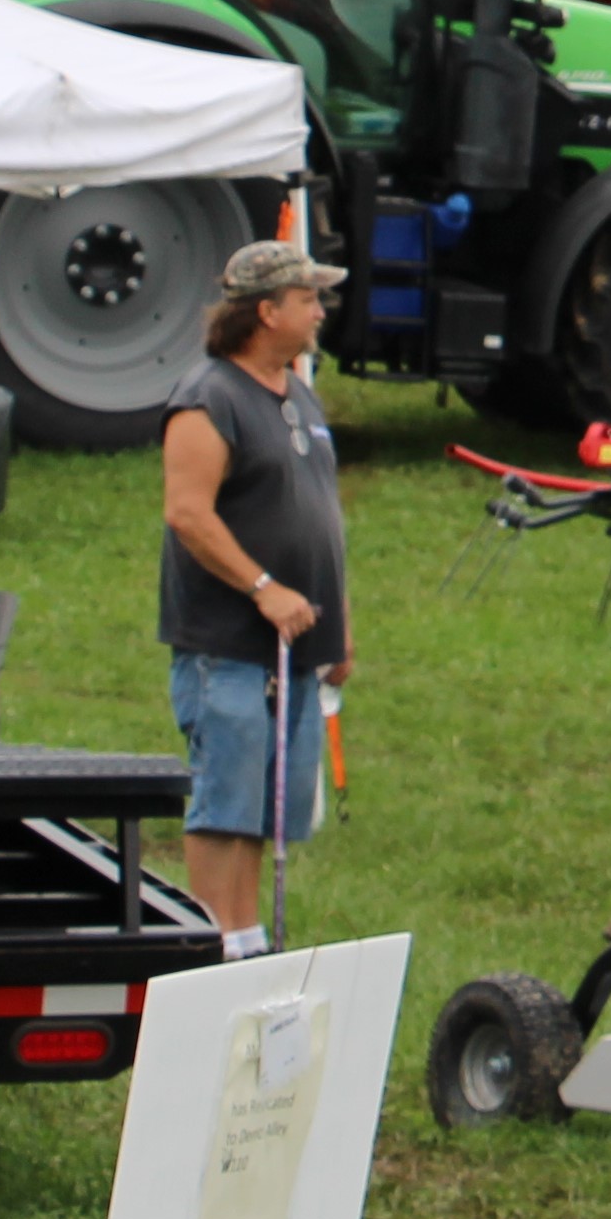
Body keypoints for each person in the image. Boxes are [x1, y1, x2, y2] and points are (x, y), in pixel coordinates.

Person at [156, 241, 350, 955]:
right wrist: (263, 589)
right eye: (308, 300)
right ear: (266, 312)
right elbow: (188, 513)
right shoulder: (207, 399)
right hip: (230, 646)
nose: (319, 312)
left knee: (270, 804)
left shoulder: (297, 393)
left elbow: (321, 516)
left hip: (298, 647)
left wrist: (341, 633)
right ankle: (218, 940)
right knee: (227, 801)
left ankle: (249, 940)